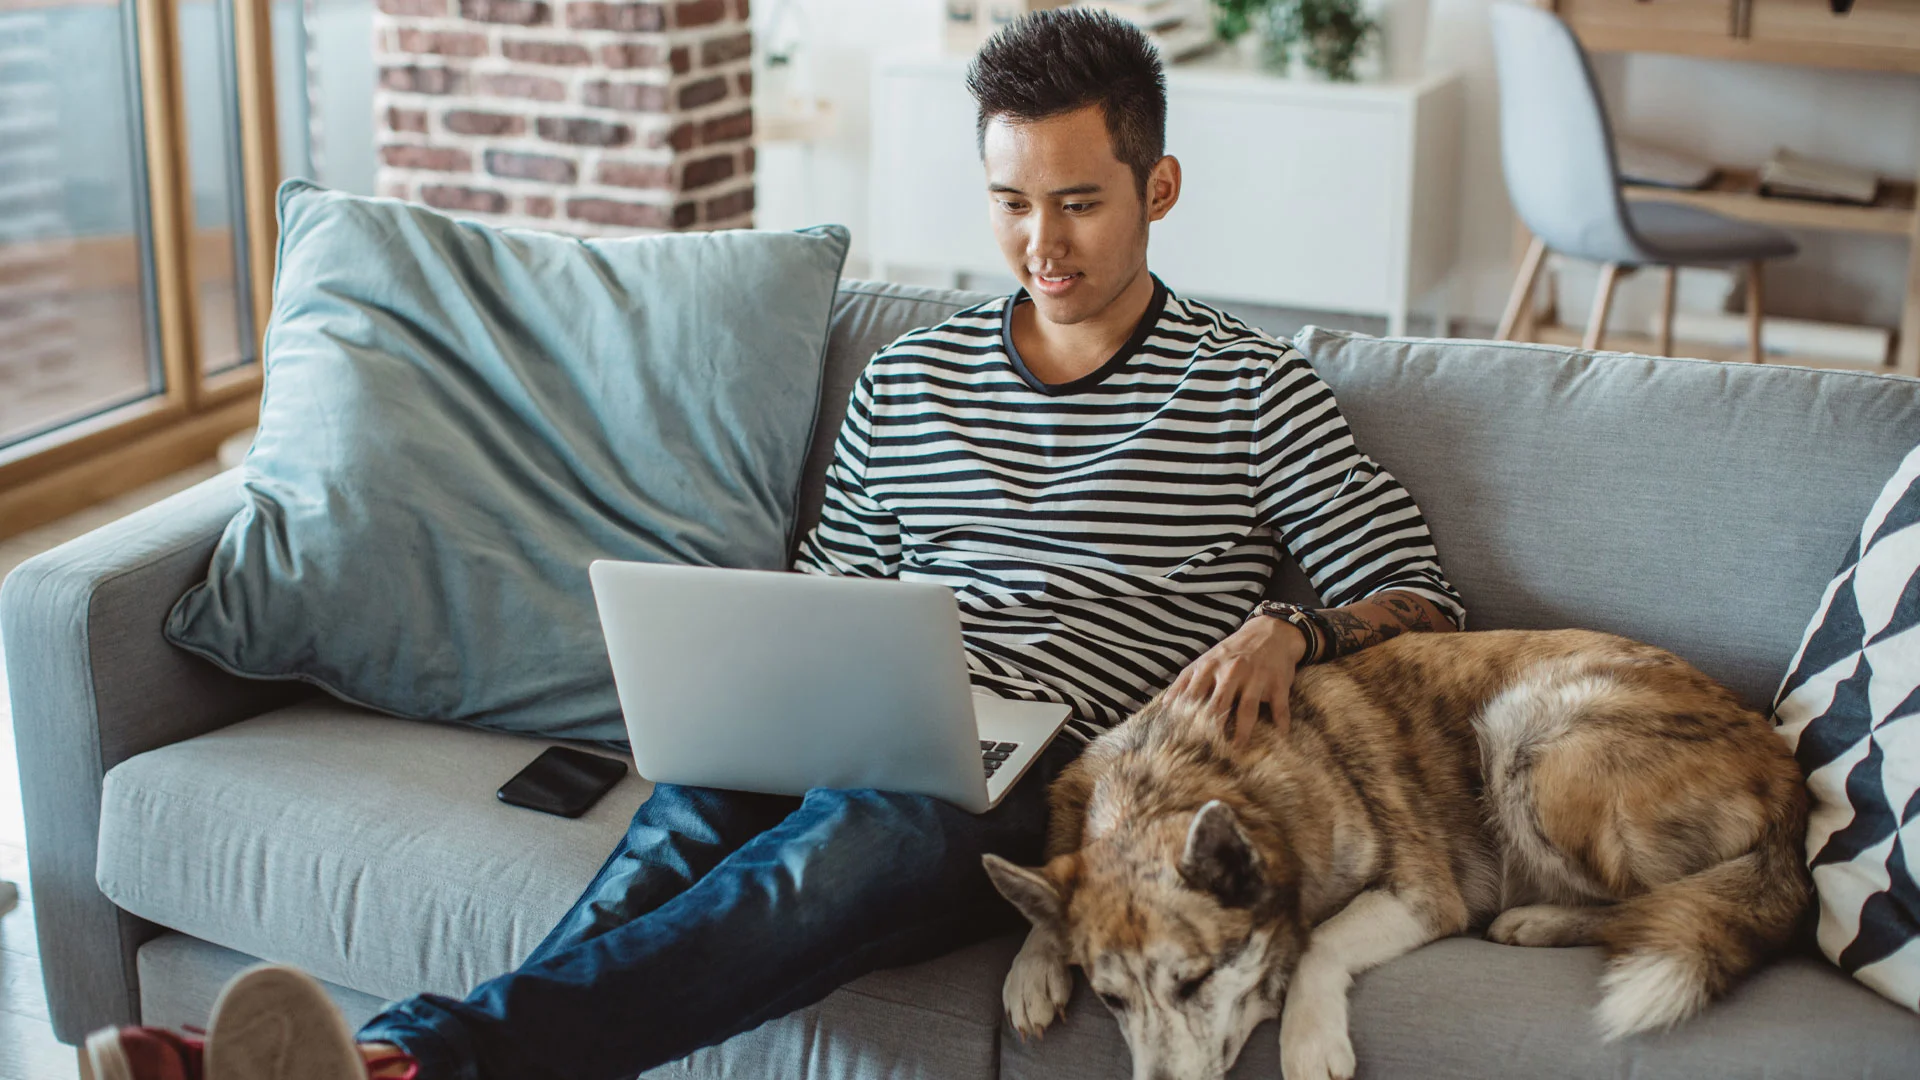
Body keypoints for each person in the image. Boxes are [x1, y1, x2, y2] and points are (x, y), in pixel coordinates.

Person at [83, 10, 1463, 1080]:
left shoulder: (1251, 389)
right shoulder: (909, 383)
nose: (1039, 241)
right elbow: (830, 599)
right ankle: (402, 1065)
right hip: (883, 719)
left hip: (1070, 779)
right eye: (1010, 201)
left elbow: (1428, 601)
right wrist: (763, 686)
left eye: (1079, 201)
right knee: (678, 835)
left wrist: (1301, 626)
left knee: (853, 836)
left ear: (1157, 185)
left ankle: (408, 1056)